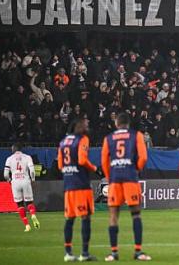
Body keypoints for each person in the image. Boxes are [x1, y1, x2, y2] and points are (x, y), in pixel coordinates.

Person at [101, 112, 151, 261]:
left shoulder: (108, 138)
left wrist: (110, 178)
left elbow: (104, 161)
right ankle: (138, 251)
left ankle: (114, 253)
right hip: (130, 178)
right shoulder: (137, 136)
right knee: (135, 214)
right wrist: (136, 169)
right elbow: (143, 157)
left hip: (115, 179)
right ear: (128, 124)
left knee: (113, 216)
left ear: (116, 124)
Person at [58, 119, 102, 262]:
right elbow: (82, 160)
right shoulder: (83, 139)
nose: (86, 127)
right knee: (85, 218)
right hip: (81, 185)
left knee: (69, 219)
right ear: (77, 126)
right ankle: (84, 253)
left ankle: (68, 253)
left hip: (68, 185)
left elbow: (60, 165)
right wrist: (95, 169)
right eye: (84, 125)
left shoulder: (63, 142)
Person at [4, 143, 39, 233]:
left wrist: (9, 180)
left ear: (14, 149)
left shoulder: (9, 159)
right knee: (29, 202)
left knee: (20, 204)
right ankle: (33, 214)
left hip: (15, 182)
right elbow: (32, 171)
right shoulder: (27, 157)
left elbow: (5, 174)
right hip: (25, 180)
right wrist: (33, 179)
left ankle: (27, 225)